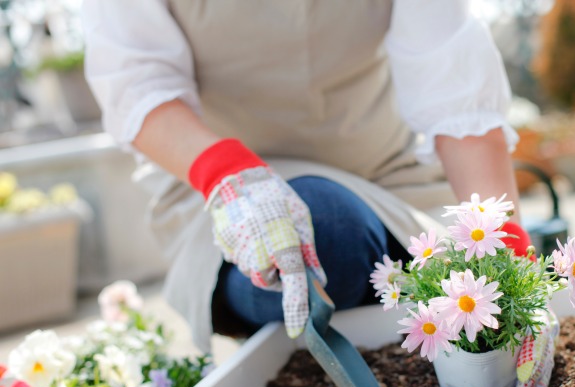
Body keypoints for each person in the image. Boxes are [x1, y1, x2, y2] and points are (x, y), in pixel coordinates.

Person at [80, 0, 533, 352]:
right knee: (325, 230)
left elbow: (454, 89)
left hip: (384, 180)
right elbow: (138, 84)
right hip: (226, 190)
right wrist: (230, 177)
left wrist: (506, 246)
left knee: (360, 242)